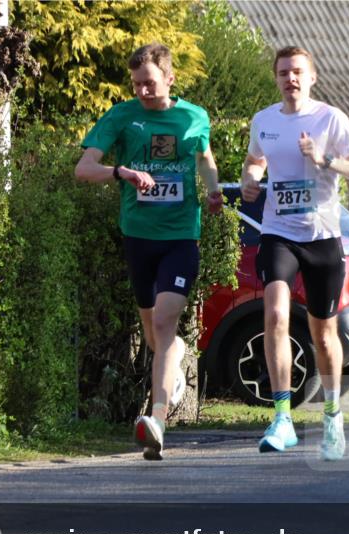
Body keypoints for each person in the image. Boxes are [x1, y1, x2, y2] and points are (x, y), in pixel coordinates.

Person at [75, 43, 222, 462]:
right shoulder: (123, 116)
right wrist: (121, 172)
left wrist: (212, 190)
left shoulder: (193, 117)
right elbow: (83, 169)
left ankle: (156, 420)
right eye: (137, 84)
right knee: (158, 337)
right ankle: (171, 373)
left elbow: (205, 158)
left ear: (170, 79)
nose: (142, 91)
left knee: (163, 321)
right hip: (138, 238)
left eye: (150, 83)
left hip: (180, 238)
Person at [241, 46, 349, 460]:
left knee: (323, 333)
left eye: (298, 72)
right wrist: (250, 179)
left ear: (312, 77)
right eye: (283, 73)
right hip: (278, 232)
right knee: (276, 314)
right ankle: (282, 417)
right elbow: (254, 160)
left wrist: (326, 159)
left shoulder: (330, 119)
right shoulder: (264, 120)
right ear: (277, 78)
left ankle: (333, 415)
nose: (291, 79)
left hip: (321, 237)